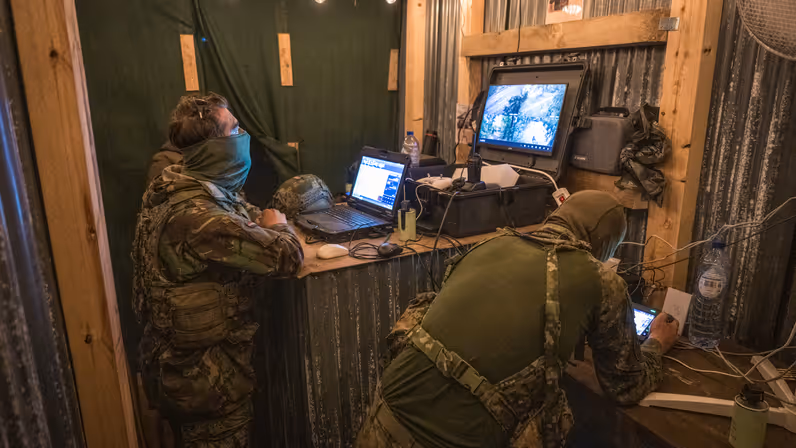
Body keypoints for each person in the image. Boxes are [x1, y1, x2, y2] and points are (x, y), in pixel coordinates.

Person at [356, 191, 679, 448]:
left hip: (382, 412)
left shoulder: (489, 244)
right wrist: (655, 344)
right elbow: (626, 386)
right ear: (605, 244)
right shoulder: (600, 280)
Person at [132, 93, 304, 447]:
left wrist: (263, 223)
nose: (243, 138)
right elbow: (287, 257)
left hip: (182, 373)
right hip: (205, 384)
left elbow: (244, 216)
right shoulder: (199, 217)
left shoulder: (178, 183)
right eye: (234, 130)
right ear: (212, 148)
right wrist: (281, 226)